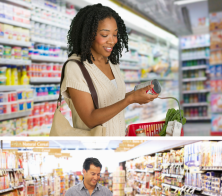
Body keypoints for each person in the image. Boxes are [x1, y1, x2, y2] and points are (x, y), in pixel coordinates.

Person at [61, 3, 158, 136]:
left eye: (115, 34)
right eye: (105, 35)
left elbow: (112, 102)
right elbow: (90, 118)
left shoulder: (112, 63)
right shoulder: (75, 67)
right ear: (89, 34)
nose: (112, 41)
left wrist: (134, 96)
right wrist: (129, 100)